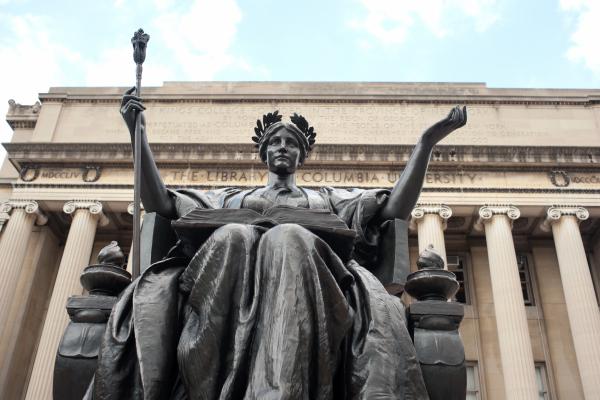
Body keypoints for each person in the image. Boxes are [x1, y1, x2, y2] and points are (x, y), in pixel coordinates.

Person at [90, 88, 467, 400]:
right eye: (276, 142)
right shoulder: (231, 199)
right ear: (264, 152)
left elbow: (394, 207)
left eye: (291, 143)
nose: (283, 147)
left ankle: (281, 389)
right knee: (233, 235)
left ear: (302, 155)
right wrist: (137, 134)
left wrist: (425, 144)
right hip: (227, 284)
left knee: (287, 238)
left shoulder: (327, 199)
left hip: (311, 284)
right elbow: (160, 203)